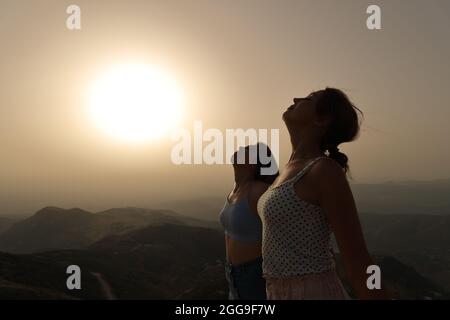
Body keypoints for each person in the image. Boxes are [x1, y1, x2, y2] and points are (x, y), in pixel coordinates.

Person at [257, 88, 390, 299]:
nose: (295, 98)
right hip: (277, 291)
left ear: (322, 120)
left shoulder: (324, 170)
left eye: (309, 99)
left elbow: (358, 259)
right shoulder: (289, 170)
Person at [219, 143, 279, 300]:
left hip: (256, 274)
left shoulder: (260, 191)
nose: (238, 148)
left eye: (245, 151)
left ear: (252, 163)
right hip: (232, 274)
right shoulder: (235, 190)